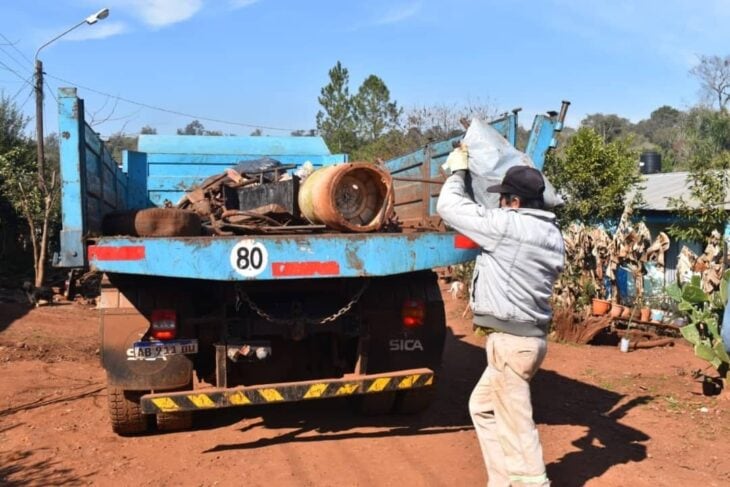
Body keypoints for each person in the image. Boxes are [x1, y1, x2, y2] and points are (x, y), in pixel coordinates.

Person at [437, 145, 565, 487]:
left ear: (515, 202)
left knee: (518, 427)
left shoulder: (509, 228)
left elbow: (449, 207)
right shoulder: (552, 234)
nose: (499, 203)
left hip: (511, 344)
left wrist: (458, 172)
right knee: (483, 407)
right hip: (528, 341)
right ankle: (502, 481)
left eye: (503, 198)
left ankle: (531, 482)